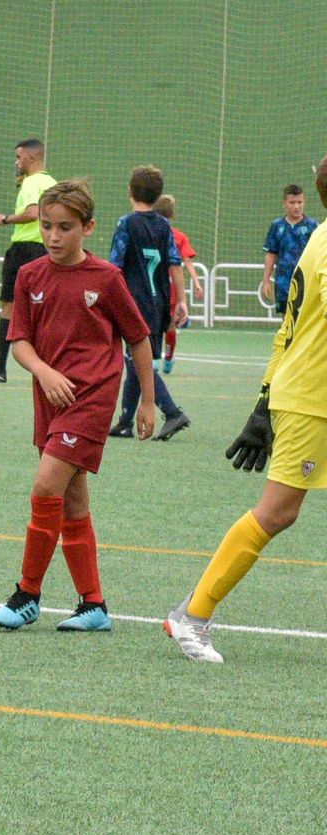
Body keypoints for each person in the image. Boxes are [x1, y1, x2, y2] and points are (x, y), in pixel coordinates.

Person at [166, 158, 327, 663]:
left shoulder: (318, 236)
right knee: (278, 512)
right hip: (312, 400)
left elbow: (289, 329)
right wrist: (270, 400)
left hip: (300, 391)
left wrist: (263, 397)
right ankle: (192, 615)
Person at [0, 180, 156, 633]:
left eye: (64, 227)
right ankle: (94, 605)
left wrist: (147, 402)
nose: (54, 236)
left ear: (88, 228)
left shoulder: (106, 279)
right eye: (46, 226)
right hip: (51, 397)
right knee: (72, 502)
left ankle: (27, 595)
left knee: (45, 488)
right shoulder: (30, 276)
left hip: (91, 397)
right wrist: (43, 372)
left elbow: (139, 339)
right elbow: (19, 340)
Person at [106, 166, 191, 441]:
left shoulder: (126, 224)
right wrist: (182, 301)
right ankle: (125, 421)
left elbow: (115, 266)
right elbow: (175, 264)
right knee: (135, 359)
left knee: (137, 362)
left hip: (134, 303)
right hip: (158, 303)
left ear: (129, 191)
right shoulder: (164, 226)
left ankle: (172, 411)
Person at [0, 138, 57, 384]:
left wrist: (4, 219)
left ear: (30, 158)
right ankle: (54, 365)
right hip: (47, 251)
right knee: (48, 310)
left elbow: (33, 213)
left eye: (18, 157)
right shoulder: (53, 182)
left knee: (9, 309)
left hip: (24, 251)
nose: (16, 162)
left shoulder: (32, 183)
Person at [152, 194, 203, 373]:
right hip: (171, 287)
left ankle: (155, 359)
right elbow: (187, 261)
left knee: (154, 323)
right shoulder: (178, 236)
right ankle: (168, 358)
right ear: (172, 215)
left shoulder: (147, 232)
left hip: (153, 284)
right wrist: (196, 282)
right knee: (170, 325)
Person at [261, 183, 318, 314]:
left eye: (300, 202)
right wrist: (266, 281)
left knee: (304, 322)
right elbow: (271, 255)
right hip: (283, 283)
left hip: (306, 283)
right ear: (284, 203)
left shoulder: (312, 226)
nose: (297, 206)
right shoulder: (277, 226)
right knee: (286, 323)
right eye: (292, 202)